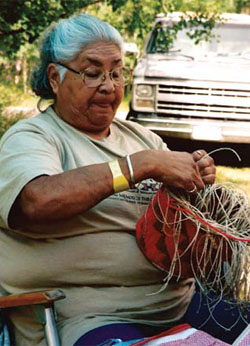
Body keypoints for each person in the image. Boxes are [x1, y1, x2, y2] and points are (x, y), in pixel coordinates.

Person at [0, 12, 237, 346]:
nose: (109, 86)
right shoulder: (32, 138)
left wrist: (199, 183)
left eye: (116, 72)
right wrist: (136, 166)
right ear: (55, 78)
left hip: (178, 304)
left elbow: (182, 219)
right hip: (86, 317)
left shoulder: (143, 139)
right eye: (93, 73)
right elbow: (36, 200)